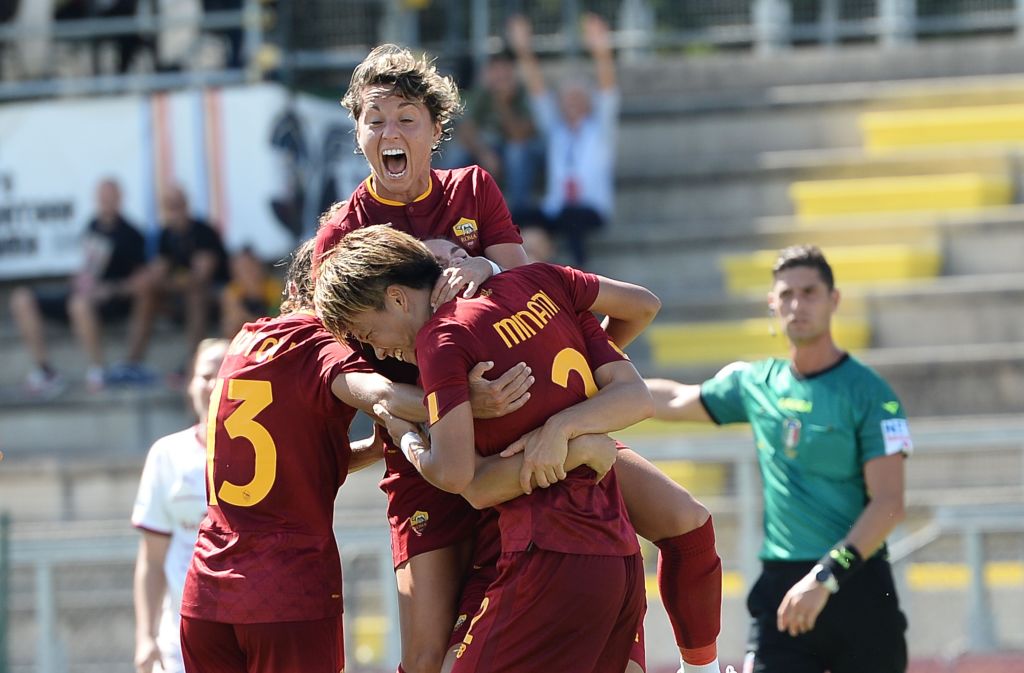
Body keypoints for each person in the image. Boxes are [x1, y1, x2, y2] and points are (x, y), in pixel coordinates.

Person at [317, 43, 728, 673]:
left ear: (435, 127)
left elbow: (528, 291)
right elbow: (344, 369)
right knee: (427, 656)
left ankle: (707, 664)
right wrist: (438, 408)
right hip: (441, 439)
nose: (389, 131)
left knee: (687, 524)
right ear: (357, 133)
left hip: (522, 427)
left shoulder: (474, 189)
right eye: (374, 119)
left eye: (405, 117)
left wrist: (562, 405)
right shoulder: (342, 233)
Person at [315, 225, 657, 673]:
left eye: (367, 330)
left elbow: (463, 481)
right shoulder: (538, 281)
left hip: (550, 554)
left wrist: (405, 436)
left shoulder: (440, 340)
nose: (375, 347)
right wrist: (571, 433)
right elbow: (638, 377)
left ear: (398, 299)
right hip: (618, 550)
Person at [646, 245, 911, 673]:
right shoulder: (757, 382)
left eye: (809, 293)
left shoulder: (871, 394)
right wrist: (599, 376)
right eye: (786, 295)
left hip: (856, 585)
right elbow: (676, 398)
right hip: (781, 588)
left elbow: (890, 503)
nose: (797, 305)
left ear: (834, 300)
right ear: (772, 304)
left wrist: (825, 576)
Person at [132, 337, 229, 673]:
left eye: (224, 374)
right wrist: (145, 637)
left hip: (246, 635)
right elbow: (152, 559)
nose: (214, 384)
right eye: (205, 375)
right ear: (190, 384)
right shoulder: (166, 454)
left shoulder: (263, 458)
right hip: (178, 643)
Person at [9, 178, 150, 394]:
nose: (105, 201)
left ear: (119, 198)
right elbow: (88, 266)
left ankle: (98, 370)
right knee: (22, 298)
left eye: (110, 195)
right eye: (102, 196)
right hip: (82, 293)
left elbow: (142, 281)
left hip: (110, 301)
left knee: (79, 304)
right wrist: (80, 279)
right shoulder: (92, 225)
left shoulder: (132, 234)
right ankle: (45, 370)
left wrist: (110, 289)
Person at [508, 13, 619, 268]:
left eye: (578, 98)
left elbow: (608, 91)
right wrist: (523, 51)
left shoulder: (599, 130)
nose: (572, 104)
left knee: (573, 221)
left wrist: (602, 52)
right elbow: (537, 91)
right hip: (556, 208)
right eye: (567, 98)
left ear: (588, 102)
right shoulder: (556, 131)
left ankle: (581, 278)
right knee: (517, 215)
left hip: (591, 208)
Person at [131, 185, 230, 379]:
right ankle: (132, 362)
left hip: (215, 295)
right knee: (146, 291)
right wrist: (167, 280)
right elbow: (158, 273)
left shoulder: (203, 232)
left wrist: (170, 280)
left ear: (186, 205)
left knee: (196, 296)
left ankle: (194, 363)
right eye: (168, 206)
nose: (173, 210)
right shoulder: (165, 235)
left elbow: (201, 277)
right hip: (180, 295)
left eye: (177, 204)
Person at [456, 49, 542, 215]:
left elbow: (519, 135)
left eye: (505, 69)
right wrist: (484, 153)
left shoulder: (523, 94)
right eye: (495, 69)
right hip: (488, 148)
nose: (500, 75)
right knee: (458, 152)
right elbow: (465, 128)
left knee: (516, 152)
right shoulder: (481, 93)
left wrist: (502, 104)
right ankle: (448, 206)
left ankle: (518, 211)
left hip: (519, 148)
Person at [219, 247, 283, 337]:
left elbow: (277, 323)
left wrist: (245, 317)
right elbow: (230, 325)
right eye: (243, 268)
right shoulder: (232, 292)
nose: (249, 272)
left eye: (251, 266)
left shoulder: (274, 288)